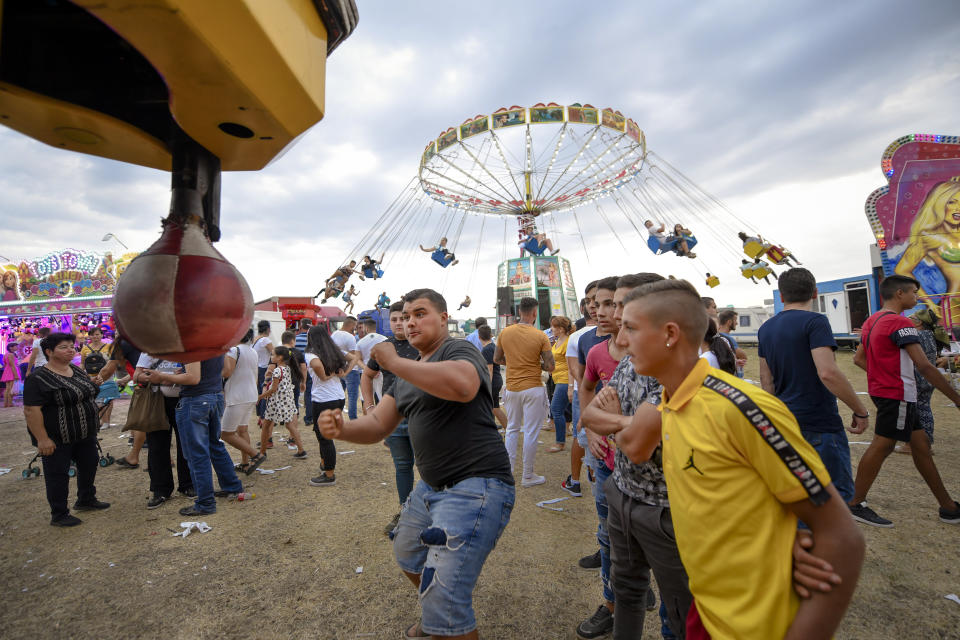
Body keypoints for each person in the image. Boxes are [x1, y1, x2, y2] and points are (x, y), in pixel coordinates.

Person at [617, 278, 865, 639]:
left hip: (758, 625)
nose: (621, 341)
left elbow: (842, 535)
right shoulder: (670, 404)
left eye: (630, 329)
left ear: (670, 334)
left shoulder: (741, 409)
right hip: (708, 612)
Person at [318, 288, 514, 640]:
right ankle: (439, 604)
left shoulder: (457, 349)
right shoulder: (408, 372)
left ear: (443, 317)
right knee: (408, 553)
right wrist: (342, 428)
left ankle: (443, 607)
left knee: (446, 597)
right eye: (406, 316)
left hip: (476, 484)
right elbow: (378, 425)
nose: (410, 322)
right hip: (431, 488)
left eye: (420, 314)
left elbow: (464, 386)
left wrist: (392, 362)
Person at [580, 271, 688, 639]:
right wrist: (620, 423)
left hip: (668, 508)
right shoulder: (629, 363)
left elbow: (637, 446)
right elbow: (590, 413)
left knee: (679, 610)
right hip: (623, 491)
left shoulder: (685, 374)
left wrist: (615, 422)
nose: (620, 336)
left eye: (626, 313)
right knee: (627, 591)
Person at [849, 275, 960, 526]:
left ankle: (948, 507)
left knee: (921, 448)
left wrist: (881, 377)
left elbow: (858, 359)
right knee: (883, 445)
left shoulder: (871, 321)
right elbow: (925, 366)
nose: (917, 298)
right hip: (897, 395)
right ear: (899, 294)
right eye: (913, 293)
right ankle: (855, 503)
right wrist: (956, 398)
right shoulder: (901, 324)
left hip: (890, 393)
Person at [758, 267, 869, 506]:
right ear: (816, 293)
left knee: (799, 495)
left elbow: (767, 382)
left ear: (782, 295)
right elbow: (828, 372)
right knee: (835, 498)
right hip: (819, 423)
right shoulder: (816, 321)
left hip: (786, 422)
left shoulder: (766, 328)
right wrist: (860, 410)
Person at [575, 276, 627, 635]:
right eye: (595, 302)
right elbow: (586, 388)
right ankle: (610, 602)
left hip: (647, 467)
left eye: (608, 303)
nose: (598, 309)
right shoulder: (595, 352)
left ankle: (636, 590)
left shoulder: (653, 353)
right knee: (608, 535)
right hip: (607, 463)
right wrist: (591, 429)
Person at [23, 332, 111, 526]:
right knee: (58, 474)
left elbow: (85, 392)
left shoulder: (75, 370)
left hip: (84, 431)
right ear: (49, 351)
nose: (70, 350)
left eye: (72, 346)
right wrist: (42, 439)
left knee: (89, 464)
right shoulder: (39, 378)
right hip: (58, 436)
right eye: (64, 347)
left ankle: (86, 499)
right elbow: (31, 410)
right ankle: (59, 513)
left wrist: (93, 384)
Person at [142, 353, 245, 516]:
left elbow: (193, 378)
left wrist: (162, 375)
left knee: (197, 454)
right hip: (214, 395)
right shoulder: (216, 341)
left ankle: (205, 502)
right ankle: (232, 487)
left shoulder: (193, 344)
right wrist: (183, 375)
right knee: (214, 445)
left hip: (196, 400)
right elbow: (224, 370)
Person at [362, 302, 420, 533]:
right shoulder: (382, 348)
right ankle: (405, 513)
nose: (399, 323)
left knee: (428, 469)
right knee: (402, 466)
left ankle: (429, 515)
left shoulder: (421, 345)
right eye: (394, 319)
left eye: (403, 319)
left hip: (420, 417)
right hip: (393, 419)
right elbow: (367, 376)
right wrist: (369, 407)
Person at [494, 296, 555, 486]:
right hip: (533, 388)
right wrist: (536, 364)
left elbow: (497, 359)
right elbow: (551, 366)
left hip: (512, 388)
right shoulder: (541, 336)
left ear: (519, 312)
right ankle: (527, 475)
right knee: (530, 432)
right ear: (535, 313)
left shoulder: (506, 332)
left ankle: (509, 472)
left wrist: (513, 362)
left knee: (512, 429)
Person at [133, 352, 196, 509]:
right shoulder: (149, 350)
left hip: (184, 400)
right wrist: (152, 377)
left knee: (186, 444)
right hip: (156, 402)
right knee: (157, 446)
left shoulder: (185, 347)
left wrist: (168, 377)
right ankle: (161, 490)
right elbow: (136, 376)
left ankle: (188, 484)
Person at [893, 180, 960, 321]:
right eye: (951, 202)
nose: (957, 208)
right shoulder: (929, 237)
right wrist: (928, 302)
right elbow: (901, 270)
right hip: (954, 308)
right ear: (940, 204)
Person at [562, 280, 601, 501]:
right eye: (590, 301)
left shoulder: (620, 332)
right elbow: (575, 370)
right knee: (582, 434)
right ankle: (580, 478)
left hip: (586, 393)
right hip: (585, 394)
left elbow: (573, 370)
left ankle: (580, 478)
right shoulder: (580, 337)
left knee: (584, 435)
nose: (594, 306)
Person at [900, 308, 951, 454]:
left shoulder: (917, 336)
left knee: (913, 411)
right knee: (925, 409)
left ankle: (911, 445)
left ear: (918, 322)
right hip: (929, 378)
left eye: (912, 318)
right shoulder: (930, 335)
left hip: (916, 377)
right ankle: (927, 444)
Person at [304, 325, 350, 487]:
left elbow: (318, 369)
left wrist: (326, 375)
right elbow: (353, 357)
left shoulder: (311, 354)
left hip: (324, 399)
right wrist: (342, 373)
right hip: (337, 397)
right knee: (320, 432)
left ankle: (329, 474)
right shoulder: (333, 350)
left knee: (324, 437)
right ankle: (324, 463)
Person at [221, 330, 266, 475]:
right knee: (242, 430)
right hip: (250, 394)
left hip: (237, 396)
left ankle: (255, 455)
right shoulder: (252, 351)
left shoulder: (233, 350)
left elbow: (227, 372)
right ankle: (245, 463)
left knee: (226, 433)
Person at [258, 346, 307, 459]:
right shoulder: (287, 368)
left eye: (273, 355)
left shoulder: (277, 370)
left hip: (276, 403)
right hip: (286, 401)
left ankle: (262, 452)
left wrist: (260, 396)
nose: (271, 357)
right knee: (290, 425)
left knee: (266, 426)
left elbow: (273, 389)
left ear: (280, 357)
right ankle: (301, 450)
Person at [547, 316, 572, 453]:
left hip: (564, 380)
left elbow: (570, 365)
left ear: (561, 329)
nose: (551, 329)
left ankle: (560, 442)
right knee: (558, 410)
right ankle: (560, 440)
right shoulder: (559, 341)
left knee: (556, 409)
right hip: (559, 379)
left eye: (554, 326)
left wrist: (570, 386)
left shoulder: (567, 342)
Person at [331, 316, 362, 420]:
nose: (356, 328)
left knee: (339, 395)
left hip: (339, 369)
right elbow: (352, 357)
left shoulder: (334, 334)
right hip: (351, 370)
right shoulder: (350, 337)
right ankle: (353, 419)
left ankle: (336, 417)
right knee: (352, 396)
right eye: (355, 326)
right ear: (352, 325)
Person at [478, 324, 507, 429]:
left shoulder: (486, 349)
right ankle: (505, 429)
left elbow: (489, 370)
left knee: (494, 408)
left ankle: (508, 429)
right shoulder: (493, 346)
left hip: (493, 381)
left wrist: (487, 385)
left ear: (479, 337)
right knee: (493, 407)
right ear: (490, 335)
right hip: (497, 379)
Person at [356, 318, 387, 412]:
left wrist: (367, 369)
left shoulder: (360, 342)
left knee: (366, 399)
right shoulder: (385, 339)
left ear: (366, 328)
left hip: (365, 374)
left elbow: (357, 359)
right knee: (383, 399)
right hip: (381, 373)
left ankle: (367, 422)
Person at [280, 330, 308, 420]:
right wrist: (303, 381)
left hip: (279, 380)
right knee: (294, 399)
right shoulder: (298, 353)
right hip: (294, 380)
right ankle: (294, 417)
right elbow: (303, 368)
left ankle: (282, 418)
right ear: (292, 341)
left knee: (280, 399)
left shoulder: (277, 351)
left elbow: (271, 367)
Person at [253, 320, 274, 425]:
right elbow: (274, 353)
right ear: (268, 329)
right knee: (265, 392)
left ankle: (260, 416)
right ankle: (263, 416)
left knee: (260, 392)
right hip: (266, 368)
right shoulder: (265, 340)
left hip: (257, 368)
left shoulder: (255, 339)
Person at [717, 308, 748, 377]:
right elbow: (743, 356)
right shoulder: (728, 339)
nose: (737, 323)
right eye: (735, 320)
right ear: (729, 322)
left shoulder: (716, 336)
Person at [295, 318, 314, 427]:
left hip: (296, 369)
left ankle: (294, 415)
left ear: (301, 326)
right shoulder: (311, 340)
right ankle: (309, 418)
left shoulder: (295, 338)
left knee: (295, 392)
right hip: (309, 369)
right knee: (309, 393)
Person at [2, 342, 19, 407]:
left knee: (7, 388)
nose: (17, 347)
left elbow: (5, 364)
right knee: (11, 388)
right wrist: (16, 375)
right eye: (15, 346)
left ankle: (6, 404)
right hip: (12, 371)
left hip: (7, 371)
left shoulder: (6, 354)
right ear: (11, 347)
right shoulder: (11, 355)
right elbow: (12, 365)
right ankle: (10, 403)